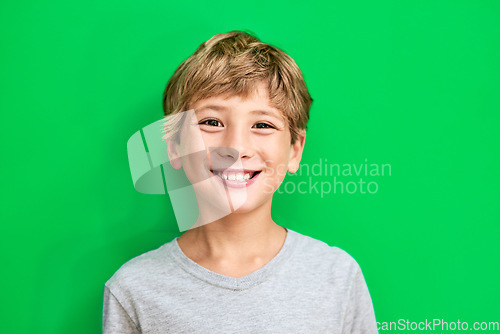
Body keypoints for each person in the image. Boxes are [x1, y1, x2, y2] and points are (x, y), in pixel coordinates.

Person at [103, 30, 378, 333]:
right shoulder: (133, 289)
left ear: (295, 150)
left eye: (262, 124)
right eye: (211, 122)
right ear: (174, 145)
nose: (235, 148)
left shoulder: (337, 276)